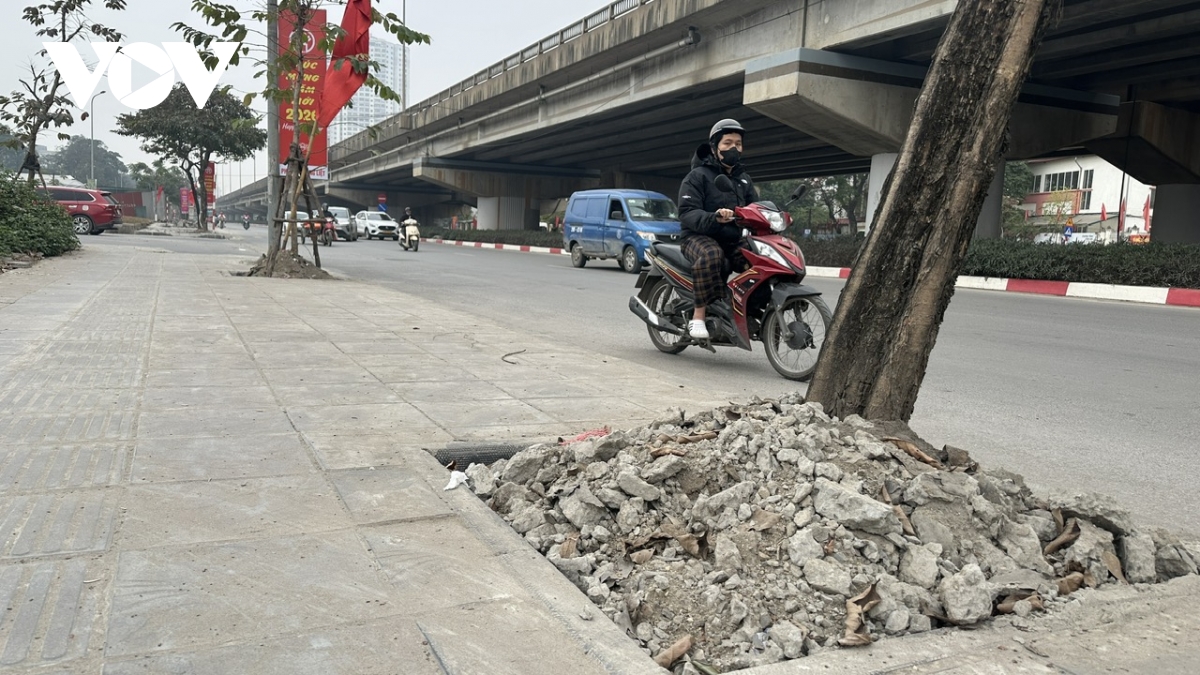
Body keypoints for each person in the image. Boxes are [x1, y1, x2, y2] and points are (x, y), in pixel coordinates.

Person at [678, 119, 759, 340]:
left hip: (731, 238)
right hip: (697, 236)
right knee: (712, 255)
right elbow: (687, 211)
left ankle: (745, 310)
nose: (734, 148)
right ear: (715, 148)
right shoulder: (698, 176)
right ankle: (698, 316)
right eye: (728, 143)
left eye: (738, 144)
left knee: (761, 258)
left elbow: (755, 208)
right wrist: (713, 217)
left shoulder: (743, 180)